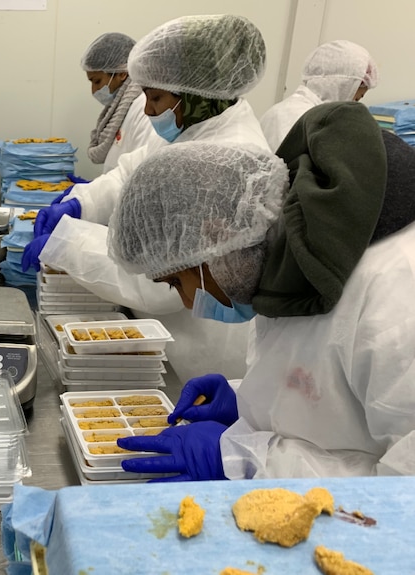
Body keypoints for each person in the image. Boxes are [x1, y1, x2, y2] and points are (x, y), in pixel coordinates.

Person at [111, 104, 415, 480]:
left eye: (177, 281)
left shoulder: (396, 296)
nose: (188, 302)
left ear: (216, 236)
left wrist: (248, 461)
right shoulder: (286, 261)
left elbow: (402, 494)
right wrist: (246, 402)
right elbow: (327, 391)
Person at [23, 14, 271, 381]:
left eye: (155, 97)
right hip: (166, 337)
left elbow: (159, 278)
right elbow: (132, 173)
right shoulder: (192, 126)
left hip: (198, 353)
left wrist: (66, 244)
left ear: (194, 93)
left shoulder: (225, 161)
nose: (148, 109)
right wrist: (82, 202)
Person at [260, 40, 379, 151]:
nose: (353, 105)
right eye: (355, 99)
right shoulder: (299, 119)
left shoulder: (296, 110)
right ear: (341, 85)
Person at [81, 32, 162, 173]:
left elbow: (139, 170)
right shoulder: (120, 108)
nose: (94, 90)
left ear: (121, 74)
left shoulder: (144, 108)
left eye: (97, 81)